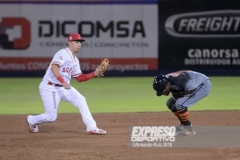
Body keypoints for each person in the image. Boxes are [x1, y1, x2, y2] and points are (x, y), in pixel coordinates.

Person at [26, 33, 106, 135]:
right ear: (69, 42)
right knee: (51, 117)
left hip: (64, 87)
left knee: (81, 100)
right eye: (76, 42)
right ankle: (31, 120)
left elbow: (79, 78)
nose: (79, 44)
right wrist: (63, 81)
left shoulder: (75, 60)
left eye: (80, 42)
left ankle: (91, 128)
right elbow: (54, 67)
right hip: (50, 87)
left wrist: (94, 73)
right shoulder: (63, 53)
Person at [152, 70, 211, 136]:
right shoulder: (168, 80)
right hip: (194, 82)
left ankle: (188, 129)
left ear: (167, 85)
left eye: (163, 90)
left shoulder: (179, 81)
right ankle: (183, 125)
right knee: (170, 103)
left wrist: (181, 93)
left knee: (180, 103)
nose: (163, 93)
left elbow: (193, 88)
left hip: (202, 85)